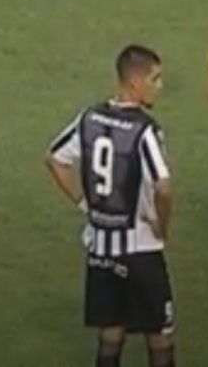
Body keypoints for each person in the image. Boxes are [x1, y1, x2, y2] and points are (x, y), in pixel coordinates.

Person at [45, 45, 176, 366]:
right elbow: (163, 187)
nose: (160, 86)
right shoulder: (145, 130)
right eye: (155, 79)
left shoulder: (89, 118)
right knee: (160, 335)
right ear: (135, 82)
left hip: (101, 249)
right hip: (141, 250)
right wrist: (162, 225)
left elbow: (54, 158)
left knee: (111, 331)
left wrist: (84, 204)